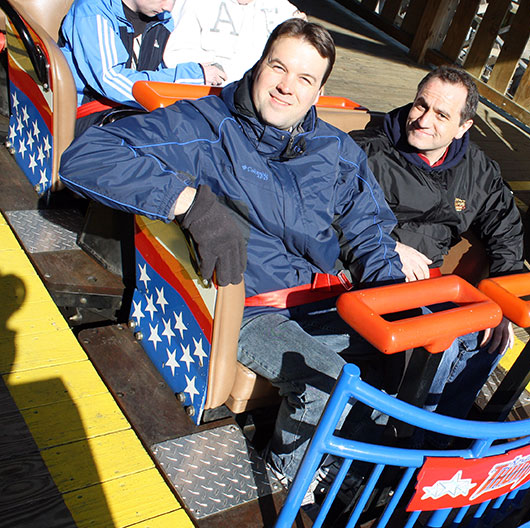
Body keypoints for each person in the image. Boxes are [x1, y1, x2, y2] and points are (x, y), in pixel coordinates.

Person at [59, 19, 404, 483]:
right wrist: (188, 203)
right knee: (326, 380)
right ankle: (287, 478)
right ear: (259, 64)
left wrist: (393, 300)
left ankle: (354, 473)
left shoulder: (335, 149)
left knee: (402, 355)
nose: (286, 87)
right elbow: (88, 156)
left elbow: (369, 229)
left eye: (304, 79)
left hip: (320, 298)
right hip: (250, 304)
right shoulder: (204, 125)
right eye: (278, 68)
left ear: (319, 90)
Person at [351, 66, 524, 425]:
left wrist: (503, 300)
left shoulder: (477, 170)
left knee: (489, 337)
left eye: (441, 114)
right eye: (420, 105)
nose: (423, 120)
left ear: (464, 127)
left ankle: (441, 441)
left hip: (430, 282)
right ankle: (401, 445)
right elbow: (331, 208)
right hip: (373, 275)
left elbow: (506, 231)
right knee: (439, 345)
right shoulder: (369, 152)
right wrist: (386, 244)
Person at [59, 0, 228, 136]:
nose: (168, 6)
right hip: (90, 114)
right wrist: (192, 75)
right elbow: (111, 80)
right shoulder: (93, 11)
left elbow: (160, 72)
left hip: (135, 110)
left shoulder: (163, 20)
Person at [164, 0, 306, 85]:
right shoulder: (197, 3)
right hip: (204, 98)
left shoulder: (284, 11)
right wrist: (203, 69)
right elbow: (174, 55)